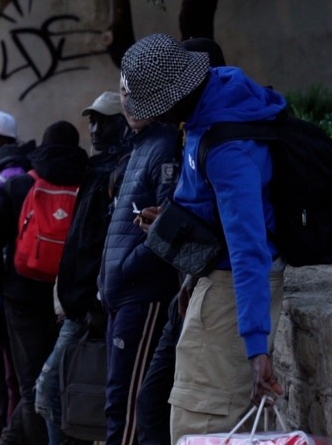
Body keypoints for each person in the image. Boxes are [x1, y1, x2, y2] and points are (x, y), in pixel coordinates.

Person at [120, 33, 287, 441]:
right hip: (215, 283)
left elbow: (250, 249)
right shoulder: (213, 100)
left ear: (173, 97)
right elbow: (217, 213)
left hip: (232, 292)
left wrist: (256, 347)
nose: (155, 118)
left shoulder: (227, 147)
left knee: (201, 425)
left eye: (155, 108)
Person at [135, 37, 227, 445]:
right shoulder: (194, 133)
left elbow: (241, 236)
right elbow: (201, 216)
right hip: (194, 287)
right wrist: (167, 223)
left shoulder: (227, 140)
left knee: (182, 415)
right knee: (155, 404)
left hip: (218, 290)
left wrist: (259, 347)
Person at [0, 121, 89, 445]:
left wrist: (2, 286)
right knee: (65, 381)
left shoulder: (19, 186)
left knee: (30, 385)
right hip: (69, 299)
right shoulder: (89, 182)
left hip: (22, 294)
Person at [37, 91, 133, 445]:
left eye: (102, 121)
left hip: (96, 307)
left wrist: (96, 299)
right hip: (79, 305)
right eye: (91, 121)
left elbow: (111, 243)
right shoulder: (96, 171)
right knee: (65, 395)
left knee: (52, 393)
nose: (94, 129)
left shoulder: (122, 172)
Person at [98, 82, 182, 445]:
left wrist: (128, 266)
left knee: (130, 407)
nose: (127, 100)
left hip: (142, 294)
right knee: (119, 404)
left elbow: (170, 223)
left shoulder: (164, 145)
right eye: (122, 90)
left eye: (135, 89)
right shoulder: (139, 147)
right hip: (121, 294)